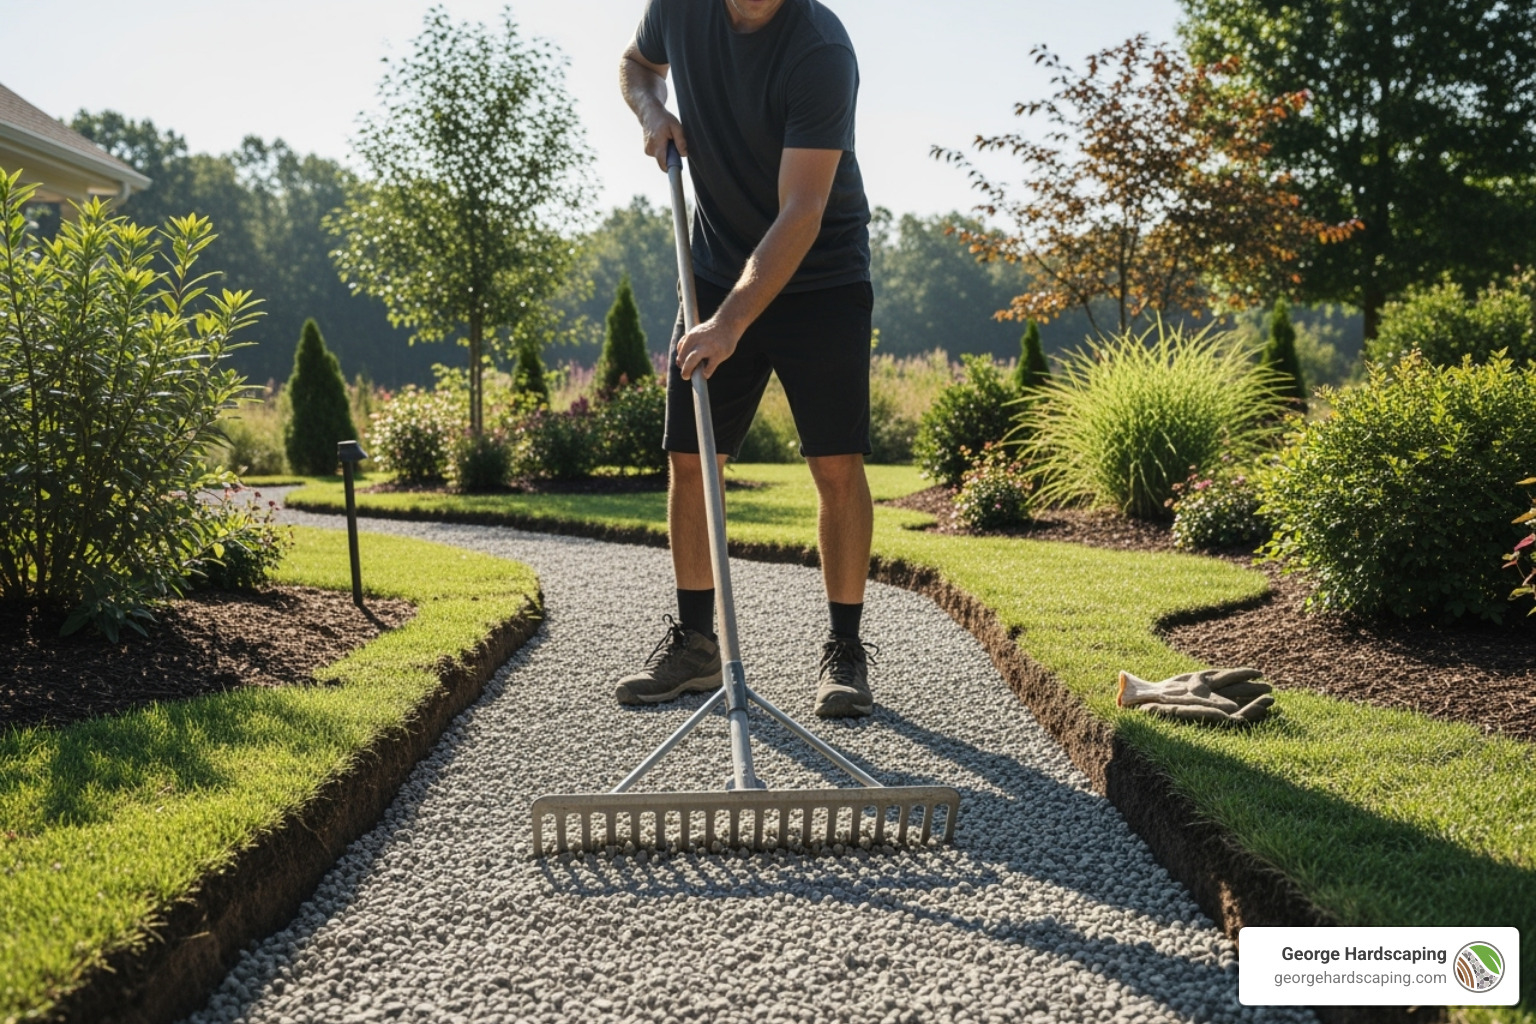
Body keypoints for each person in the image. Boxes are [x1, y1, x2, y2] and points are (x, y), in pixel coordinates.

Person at [614, 0, 876, 718]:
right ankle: (697, 646)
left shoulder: (820, 48)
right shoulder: (679, 9)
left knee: (834, 463)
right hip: (714, 263)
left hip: (820, 276)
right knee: (693, 457)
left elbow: (802, 210)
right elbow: (636, 64)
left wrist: (729, 323)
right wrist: (651, 112)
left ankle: (844, 654)